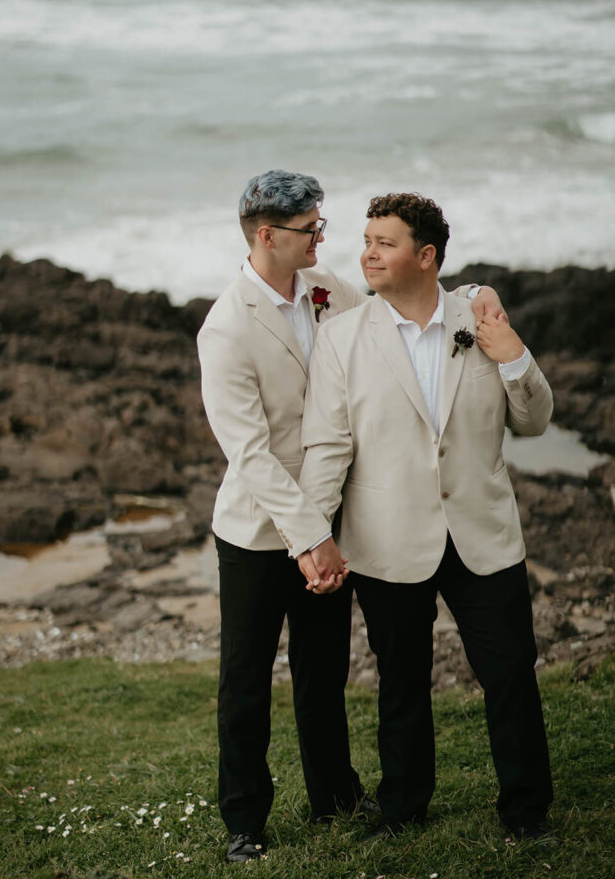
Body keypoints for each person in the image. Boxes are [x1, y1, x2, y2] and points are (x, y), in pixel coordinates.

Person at [197, 172, 503, 862]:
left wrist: (477, 297)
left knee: (323, 669)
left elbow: (406, 314)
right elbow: (249, 454)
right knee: (245, 679)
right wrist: (306, 538)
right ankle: (244, 818)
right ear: (266, 235)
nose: (323, 237)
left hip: (332, 518)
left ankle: (333, 791)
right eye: (309, 227)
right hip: (258, 529)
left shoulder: (327, 287)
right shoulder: (224, 329)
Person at [298, 192, 554, 843]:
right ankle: (403, 807)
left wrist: (513, 355)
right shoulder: (341, 338)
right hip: (385, 540)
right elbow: (327, 447)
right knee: (400, 684)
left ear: (425, 255)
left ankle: (526, 814)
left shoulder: (480, 316)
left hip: (483, 534)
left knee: (508, 676)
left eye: (384, 242)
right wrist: (311, 536)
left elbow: (532, 421)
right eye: (365, 241)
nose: (367, 254)